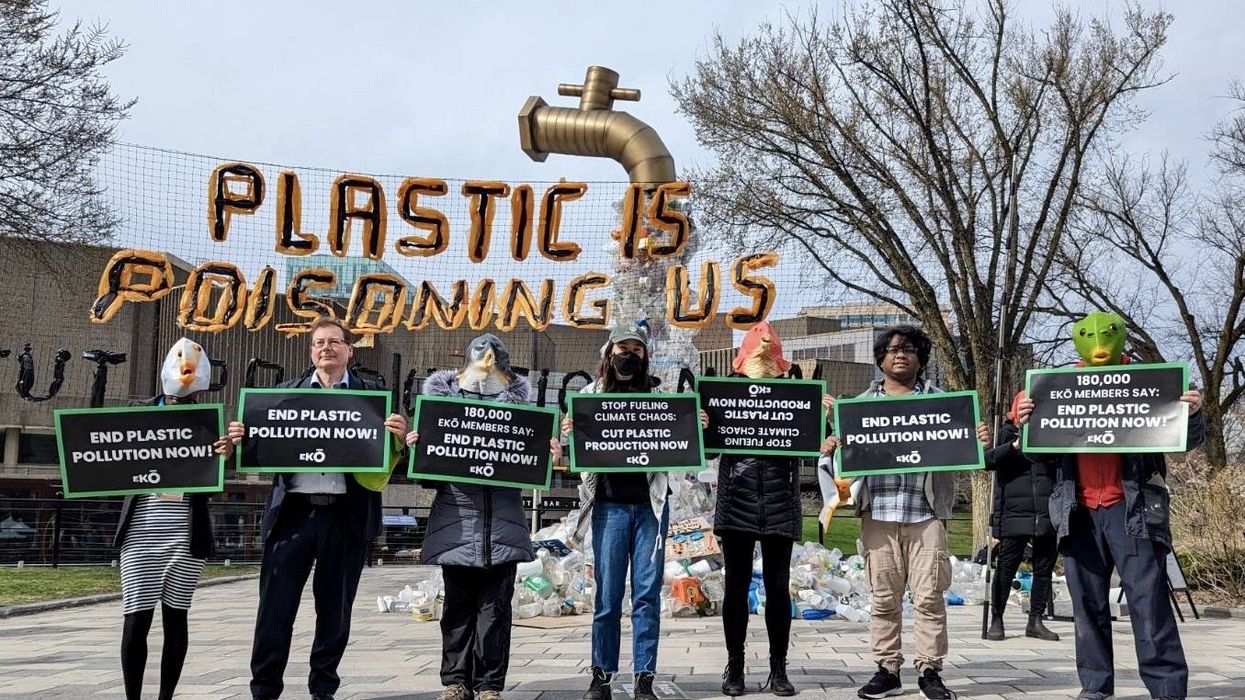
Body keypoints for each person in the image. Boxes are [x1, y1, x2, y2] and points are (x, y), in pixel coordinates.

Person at [1019, 312, 1203, 700]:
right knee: (1086, 606)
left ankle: (1167, 689)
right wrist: (1025, 425)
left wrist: (1194, 414)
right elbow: (1038, 459)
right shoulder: (1054, 387)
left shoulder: (1151, 383)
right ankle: (1095, 686)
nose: (1100, 340)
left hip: (1132, 509)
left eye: (1107, 333)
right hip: (1077, 511)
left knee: (1149, 603)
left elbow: (1185, 441)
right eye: (1089, 334)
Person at [228, 317, 408, 700]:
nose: (325, 348)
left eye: (334, 342)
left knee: (335, 612)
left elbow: (392, 465)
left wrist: (397, 438)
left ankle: (323, 688)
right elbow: (256, 452)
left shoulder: (375, 399)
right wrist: (242, 439)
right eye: (318, 343)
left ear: (349, 350)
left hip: (347, 516)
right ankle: (264, 690)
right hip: (292, 515)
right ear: (311, 351)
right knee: (275, 609)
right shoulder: (282, 396)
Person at [819, 325, 988, 700]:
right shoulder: (857, 407)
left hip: (927, 513)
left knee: (929, 596)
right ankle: (887, 670)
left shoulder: (946, 405)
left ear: (920, 358)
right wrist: (831, 448)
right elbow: (841, 472)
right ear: (880, 358)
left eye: (909, 349)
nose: (901, 354)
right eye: (893, 349)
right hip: (878, 513)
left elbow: (970, 454)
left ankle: (930, 670)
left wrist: (977, 439)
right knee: (883, 597)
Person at [405, 334, 563, 700]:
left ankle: (489, 684)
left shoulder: (523, 417)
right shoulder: (440, 410)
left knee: (495, 613)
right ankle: (455, 681)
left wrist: (549, 455)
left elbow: (534, 473)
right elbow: (428, 479)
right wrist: (420, 450)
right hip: (456, 524)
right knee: (457, 610)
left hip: (504, 525)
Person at [561, 324, 707, 700]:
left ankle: (645, 676)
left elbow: (681, 446)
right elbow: (572, 453)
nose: (629, 355)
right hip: (608, 507)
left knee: (646, 595)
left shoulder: (659, 397)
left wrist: (696, 426)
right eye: (623, 348)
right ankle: (601, 676)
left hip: (650, 509)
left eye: (637, 350)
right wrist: (568, 431)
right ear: (609, 353)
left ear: (645, 357)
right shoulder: (589, 397)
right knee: (607, 596)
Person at [114, 338, 233, 700]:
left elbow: (212, 488)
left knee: (176, 617)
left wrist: (223, 459)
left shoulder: (210, 425)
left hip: (186, 533)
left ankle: (166, 697)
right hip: (140, 532)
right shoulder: (136, 415)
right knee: (136, 620)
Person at [712, 322, 798, 697]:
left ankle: (778, 668)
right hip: (736, 503)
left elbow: (813, 448)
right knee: (736, 588)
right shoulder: (725, 401)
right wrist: (703, 426)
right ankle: (736, 667)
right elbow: (709, 451)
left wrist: (824, 421)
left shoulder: (796, 401)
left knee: (779, 589)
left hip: (780, 501)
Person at [984, 390, 1060, 642]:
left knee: (1043, 568)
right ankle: (997, 618)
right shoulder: (1005, 433)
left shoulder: (1051, 432)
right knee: (1006, 567)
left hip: (1046, 510)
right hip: (1014, 512)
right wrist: (1014, 447)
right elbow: (987, 460)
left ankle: (1035, 620)